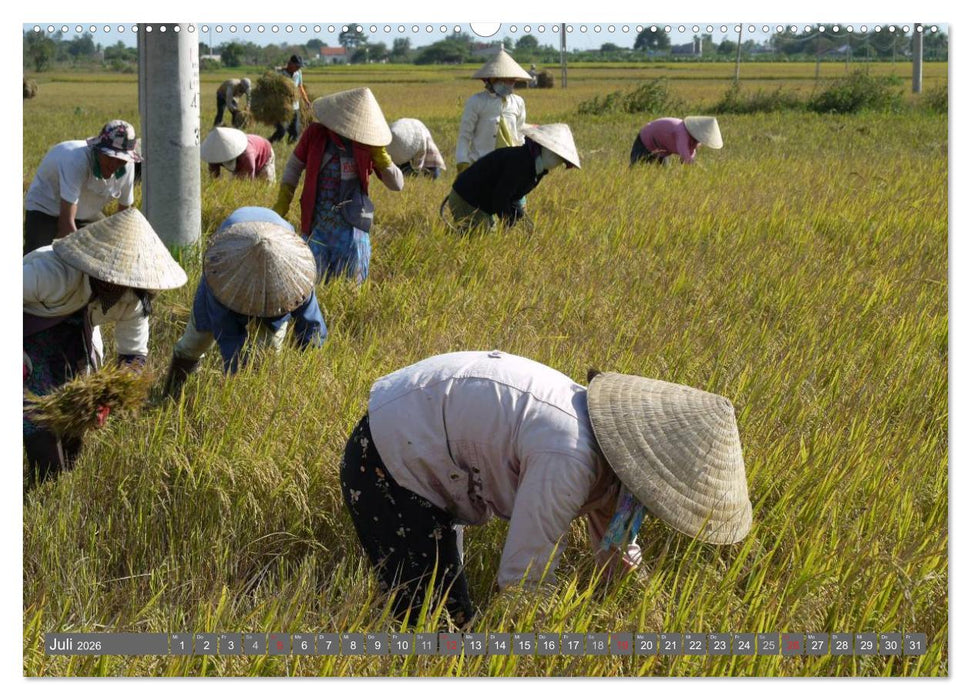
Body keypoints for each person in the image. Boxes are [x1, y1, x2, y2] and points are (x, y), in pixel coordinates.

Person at [340, 350, 753, 626]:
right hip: (387, 458)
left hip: (427, 446)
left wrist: (649, 610)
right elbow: (523, 579)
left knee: (449, 610)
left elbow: (617, 547)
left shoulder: (615, 463)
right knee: (439, 627)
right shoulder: (570, 457)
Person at [23, 208, 187, 485]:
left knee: (75, 418)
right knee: (38, 421)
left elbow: (133, 354)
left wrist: (110, 394)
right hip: (28, 333)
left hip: (75, 337)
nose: (118, 287)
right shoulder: (49, 273)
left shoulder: (134, 299)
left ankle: (59, 487)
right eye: (111, 279)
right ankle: (45, 484)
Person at [163, 207, 327, 396]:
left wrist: (310, 370)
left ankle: (262, 399)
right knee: (196, 340)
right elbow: (228, 338)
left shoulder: (295, 275)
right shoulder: (222, 276)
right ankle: (172, 394)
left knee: (268, 354)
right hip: (231, 255)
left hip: (279, 247)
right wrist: (236, 382)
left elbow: (312, 326)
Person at [273, 87, 404, 284]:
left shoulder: (366, 144)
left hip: (352, 230)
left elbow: (397, 184)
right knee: (310, 284)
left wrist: (381, 157)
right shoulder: (315, 134)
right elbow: (294, 167)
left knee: (350, 288)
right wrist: (283, 202)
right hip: (317, 226)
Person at [23, 120, 141, 255]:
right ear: (98, 150)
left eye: (120, 160)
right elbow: (65, 224)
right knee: (37, 258)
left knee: (104, 246)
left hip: (84, 210)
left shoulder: (127, 166)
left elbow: (123, 215)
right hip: (46, 207)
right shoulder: (77, 160)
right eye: (109, 157)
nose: (113, 165)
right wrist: (80, 257)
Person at [447, 123, 580, 232]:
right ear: (542, 148)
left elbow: (513, 197)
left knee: (484, 235)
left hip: (480, 203)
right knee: (484, 236)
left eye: (560, 160)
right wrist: (509, 223)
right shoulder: (520, 163)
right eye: (555, 156)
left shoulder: (537, 170)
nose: (556, 162)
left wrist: (521, 220)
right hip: (466, 198)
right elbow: (501, 197)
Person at [455, 48, 531, 173]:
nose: (511, 84)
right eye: (506, 80)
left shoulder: (518, 102)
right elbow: (465, 134)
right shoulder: (476, 101)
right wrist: (462, 160)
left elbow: (520, 134)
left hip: (510, 164)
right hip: (481, 163)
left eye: (513, 80)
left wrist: (523, 160)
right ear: (492, 80)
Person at [630, 116, 723, 166]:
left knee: (663, 177)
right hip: (645, 141)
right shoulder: (681, 132)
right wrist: (699, 169)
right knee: (635, 170)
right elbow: (685, 156)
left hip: (661, 151)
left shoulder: (695, 140)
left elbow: (688, 156)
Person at [200, 127, 276, 182]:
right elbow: (214, 177)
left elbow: (249, 183)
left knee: (265, 185)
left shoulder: (246, 155)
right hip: (246, 158)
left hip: (265, 154)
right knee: (235, 184)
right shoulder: (213, 154)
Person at [270, 55, 311, 144]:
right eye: (297, 66)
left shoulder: (298, 73)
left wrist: (306, 100)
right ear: (290, 64)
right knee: (282, 131)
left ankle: (291, 148)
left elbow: (300, 87)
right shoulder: (280, 74)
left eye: (299, 66)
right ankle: (268, 144)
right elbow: (273, 88)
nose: (298, 68)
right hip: (282, 106)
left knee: (296, 132)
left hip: (295, 106)